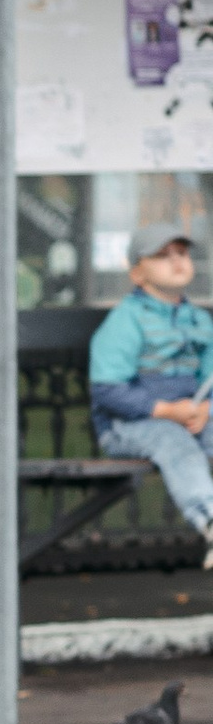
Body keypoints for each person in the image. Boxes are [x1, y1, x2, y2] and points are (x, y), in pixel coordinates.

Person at [89, 227, 213, 547]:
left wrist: (205, 408)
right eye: (162, 255)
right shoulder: (126, 320)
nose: (176, 261)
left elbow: (209, 377)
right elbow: (107, 389)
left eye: (181, 253)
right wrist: (167, 411)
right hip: (129, 425)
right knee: (172, 439)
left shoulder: (200, 321)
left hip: (191, 418)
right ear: (137, 274)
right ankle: (208, 518)